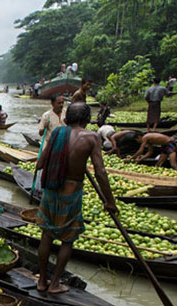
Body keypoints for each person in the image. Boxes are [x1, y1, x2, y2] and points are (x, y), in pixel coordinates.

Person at [35, 103, 117, 294]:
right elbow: (101, 172)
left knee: (46, 234)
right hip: (71, 191)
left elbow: (42, 162)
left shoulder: (57, 133)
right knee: (68, 238)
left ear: (68, 118)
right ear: (87, 119)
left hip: (51, 188)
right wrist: (109, 201)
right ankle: (54, 284)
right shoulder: (92, 137)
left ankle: (41, 281)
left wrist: (40, 166)